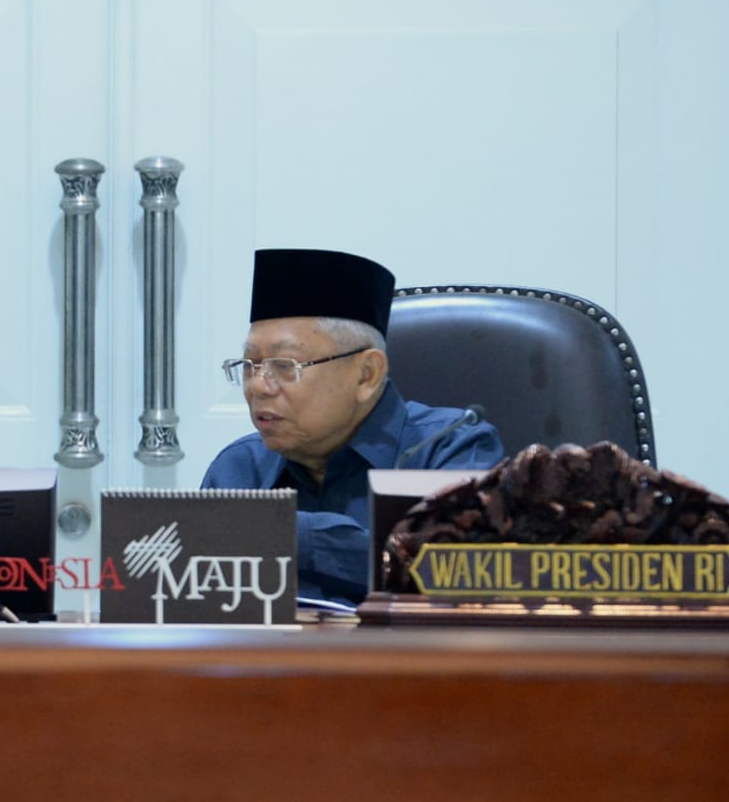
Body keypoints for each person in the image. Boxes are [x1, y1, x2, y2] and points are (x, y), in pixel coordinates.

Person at [201, 248, 504, 605]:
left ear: (366, 375)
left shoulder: (451, 447)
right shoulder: (240, 469)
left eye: (286, 365)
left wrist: (280, 532)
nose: (258, 386)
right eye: (250, 364)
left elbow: (459, 575)